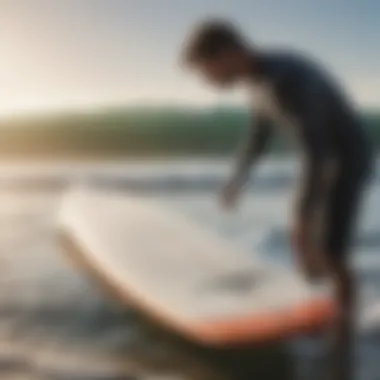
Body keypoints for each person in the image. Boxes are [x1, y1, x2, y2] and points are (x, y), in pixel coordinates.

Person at [181, 19, 374, 380]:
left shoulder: (286, 80)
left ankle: (344, 334)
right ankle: (328, 305)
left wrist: (300, 217)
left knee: (331, 249)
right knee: (313, 255)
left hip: (348, 157)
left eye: (207, 71)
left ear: (227, 54)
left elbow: (317, 150)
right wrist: (237, 180)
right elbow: (259, 134)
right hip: (324, 157)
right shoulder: (256, 84)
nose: (208, 82)